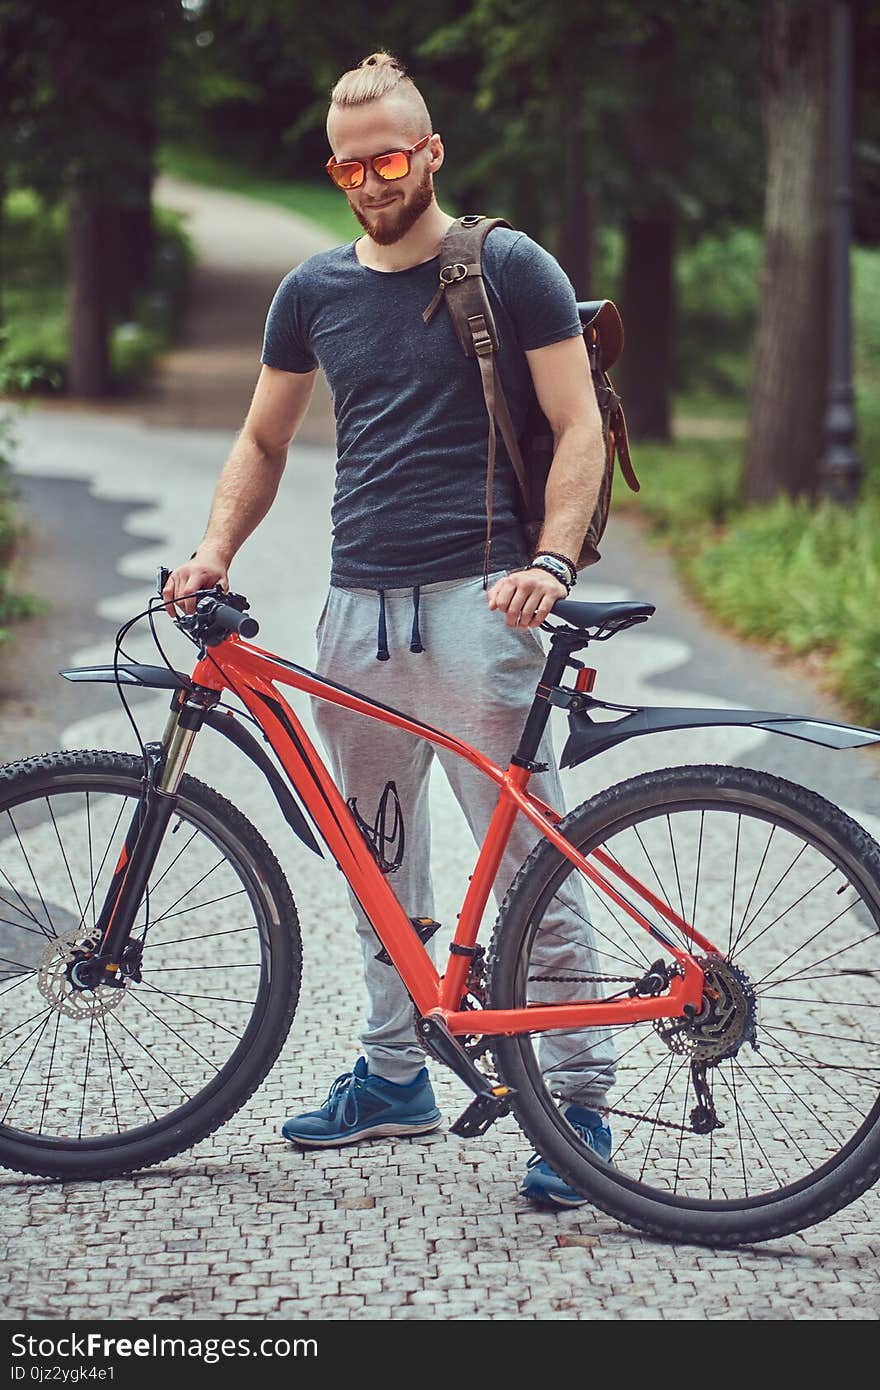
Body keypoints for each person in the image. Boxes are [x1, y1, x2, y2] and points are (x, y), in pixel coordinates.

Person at [162, 50, 615, 1207]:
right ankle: (392, 1074)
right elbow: (262, 443)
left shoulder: (509, 267)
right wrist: (215, 548)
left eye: (393, 156)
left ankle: (577, 1106)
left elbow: (576, 428)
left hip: (482, 603)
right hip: (355, 611)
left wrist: (551, 562)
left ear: (432, 152)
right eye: (352, 163)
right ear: (333, 169)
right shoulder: (312, 292)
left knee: (527, 863)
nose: (375, 179)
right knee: (375, 855)